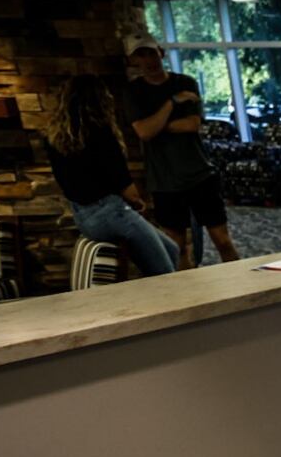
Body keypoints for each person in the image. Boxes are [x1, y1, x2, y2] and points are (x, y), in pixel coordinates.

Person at [123, 32, 240, 268]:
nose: (148, 60)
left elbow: (192, 124)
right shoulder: (134, 92)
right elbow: (144, 132)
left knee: (222, 240)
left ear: (161, 53)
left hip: (200, 173)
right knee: (178, 247)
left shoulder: (185, 82)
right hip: (165, 181)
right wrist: (172, 103)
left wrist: (156, 125)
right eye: (141, 55)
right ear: (134, 61)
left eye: (151, 53)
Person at [43, 74, 178, 277]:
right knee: (164, 273)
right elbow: (126, 186)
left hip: (84, 217)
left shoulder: (54, 138)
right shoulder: (101, 132)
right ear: (100, 99)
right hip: (111, 212)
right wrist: (138, 202)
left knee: (171, 249)